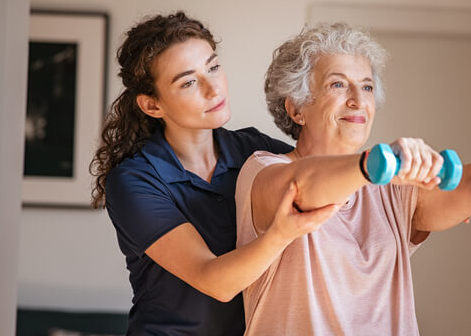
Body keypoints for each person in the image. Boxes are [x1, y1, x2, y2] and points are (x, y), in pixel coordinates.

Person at [235, 22, 471, 335]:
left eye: (366, 87)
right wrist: (375, 165)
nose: (357, 100)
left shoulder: (390, 188)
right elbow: (303, 188)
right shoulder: (265, 170)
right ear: (295, 107)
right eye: (337, 85)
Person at [90, 12, 337, 335]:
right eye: (189, 82)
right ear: (152, 106)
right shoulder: (135, 179)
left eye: (214, 67)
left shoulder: (256, 151)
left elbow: (317, 173)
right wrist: (281, 234)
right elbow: (214, 281)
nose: (213, 88)